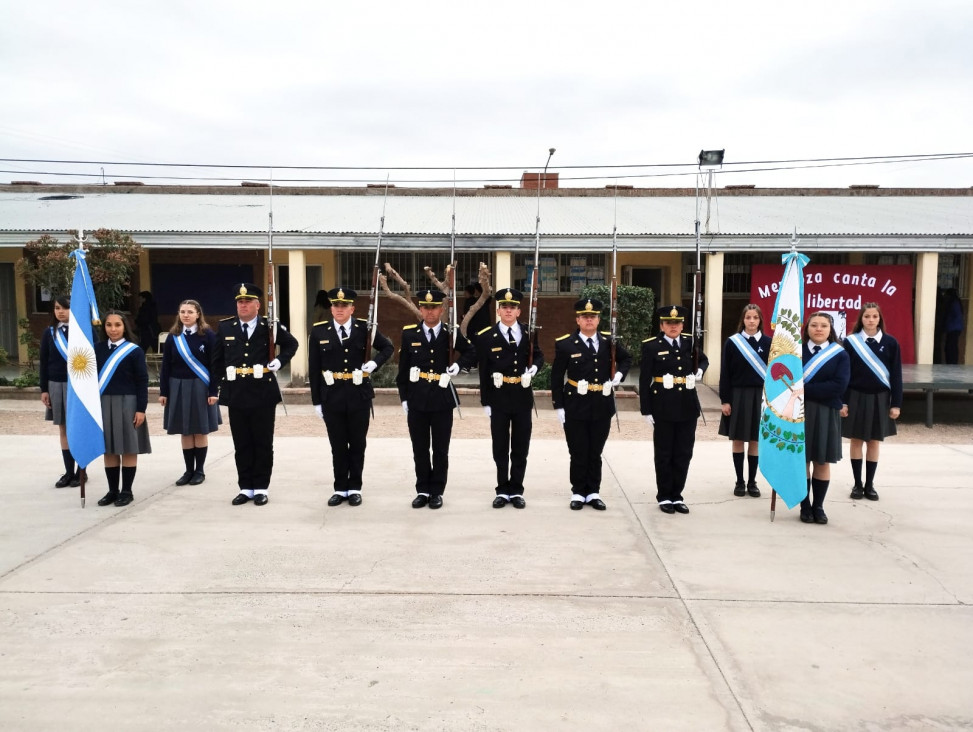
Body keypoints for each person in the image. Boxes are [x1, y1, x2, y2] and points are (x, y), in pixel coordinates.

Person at [211, 283, 299, 507]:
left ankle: (260, 487)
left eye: (248, 301)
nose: (243, 305)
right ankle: (245, 487)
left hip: (262, 392)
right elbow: (216, 360)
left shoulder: (269, 326)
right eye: (240, 301)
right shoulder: (225, 327)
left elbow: (292, 344)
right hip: (236, 391)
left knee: (262, 442)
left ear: (258, 305)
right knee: (241, 443)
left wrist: (279, 361)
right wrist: (217, 384)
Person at [308, 287, 394, 507]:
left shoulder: (364, 329)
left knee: (357, 444)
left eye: (344, 305)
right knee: (337, 445)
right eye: (336, 305)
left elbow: (387, 348)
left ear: (352, 308)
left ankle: (354, 487)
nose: (339, 309)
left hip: (358, 396)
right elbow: (315, 368)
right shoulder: (319, 332)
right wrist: (316, 401)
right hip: (332, 396)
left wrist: (373, 364)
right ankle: (340, 488)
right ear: (331, 307)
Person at [396, 288, 476, 510]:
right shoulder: (410, 333)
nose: (429, 312)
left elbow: (471, 352)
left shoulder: (451, 333)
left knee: (440, 449)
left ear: (442, 309)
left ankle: (437, 491)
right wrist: (404, 397)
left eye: (434, 308)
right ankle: (422, 489)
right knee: (420, 448)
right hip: (417, 398)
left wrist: (458, 365)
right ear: (420, 309)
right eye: (425, 307)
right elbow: (403, 369)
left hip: (442, 399)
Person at [551, 297, 631, 511]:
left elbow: (626, 359)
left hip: (601, 404)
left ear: (598, 320)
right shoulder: (566, 343)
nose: (589, 320)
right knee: (578, 451)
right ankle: (578, 492)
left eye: (593, 317)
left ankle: (593, 492)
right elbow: (556, 376)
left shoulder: (608, 342)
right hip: (575, 403)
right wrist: (558, 405)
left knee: (595, 451)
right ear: (578, 319)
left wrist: (619, 374)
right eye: (585, 317)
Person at [474, 288, 544, 509]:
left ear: (518, 311)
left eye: (512, 307)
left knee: (521, 447)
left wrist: (533, 369)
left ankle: (517, 490)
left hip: (522, 397)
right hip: (499, 397)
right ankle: (502, 490)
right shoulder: (486, 336)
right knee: (500, 447)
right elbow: (483, 371)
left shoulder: (528, 332)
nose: (508, 310)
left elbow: (539, 355)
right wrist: (486, 401)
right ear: (498, 310)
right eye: (504, 307)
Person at [639, 305, 708, 515]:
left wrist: (700, 370)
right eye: (669, 323)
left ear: (682, 325)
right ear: (661, 325)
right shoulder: (651, 346)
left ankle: (677, 495)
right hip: (663, 405)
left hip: (687, 405)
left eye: (677, 323)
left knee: (684, 453)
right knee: (664, 453)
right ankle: (664, 496)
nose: (673, 326)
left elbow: (703, 359)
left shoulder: (689, 342)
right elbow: (644, 380)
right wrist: (646, 410)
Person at [840, 302, 903, 501]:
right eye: (867, 316)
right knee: (856, 440)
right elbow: (844, 374)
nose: (870, 320)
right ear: (861, 319)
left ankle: (870, 484)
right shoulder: (850, 342)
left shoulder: (891, 343)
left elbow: (896, 376)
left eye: (874, 316)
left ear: (880, 319)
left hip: (880, 398)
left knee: (874, 441)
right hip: (856, 396)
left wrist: (896, 403)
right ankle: (857, 484)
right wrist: (843, 401)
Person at [159, 299, 221, 486]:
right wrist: (164, 392)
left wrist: (213, 391)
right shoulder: (173, 337)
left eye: (190, 312)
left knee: (199, 430)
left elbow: (214, 365)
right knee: (185, 431)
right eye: (182, 311)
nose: (186, 315)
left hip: (201, 386)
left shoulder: (208, 335)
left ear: (198, 314)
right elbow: (166, 367)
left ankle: (199, 470)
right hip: (177, 386)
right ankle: (188, 470)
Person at [95, 311, 151, 507]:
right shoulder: (97, 349)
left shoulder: (134, 350)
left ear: (124, 327)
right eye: (109, 325)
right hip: (103, 403)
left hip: (128, 403)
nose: (113, 329)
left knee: (128, 447)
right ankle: (112, 490)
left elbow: (142, 381)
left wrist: (141, 409)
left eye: (117, 325)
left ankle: (126, 490)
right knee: (109, 449)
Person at [801, 311, 851, 525]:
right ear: (807, 329)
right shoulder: (795, 352)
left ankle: (818, 506)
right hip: (799, 413)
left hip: (826, 412)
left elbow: (839, 386)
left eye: (824, 325)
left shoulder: (840, 354)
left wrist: (803, 389)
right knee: (802, 461)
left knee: (821, 460)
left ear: (831, 330)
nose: (819, 329)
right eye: (814, 325)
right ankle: (804, 506)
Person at [718, 304, 772, 497]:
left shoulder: (768, 343)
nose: (751, 321)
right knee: (739, 438)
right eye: (748, 317)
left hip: (761, 396)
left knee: (755, 440)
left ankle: (752, 481)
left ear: (760, 321)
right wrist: (725, 400)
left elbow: (774, 374)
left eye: (755, 318)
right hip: (738, 395)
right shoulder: (733, 342)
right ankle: (739, 481)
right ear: (743, 320)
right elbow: (726, 373)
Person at [39, 295, 79, 488]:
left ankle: (82, 471)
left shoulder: (83, 331)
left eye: (65, 307)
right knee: (63, 428)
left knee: (78, 428)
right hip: (56, 384)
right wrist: (44, 389)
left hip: (78, 386)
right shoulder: (50, 333)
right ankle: (69, 472)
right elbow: (44, 362)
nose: (61, 311)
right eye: (57, 308)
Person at [943, 288, 963, 365]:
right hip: (955, 328)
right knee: (951, 346)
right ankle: (951, 362)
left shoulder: (954, 302)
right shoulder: (955, 301)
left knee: (951, 346)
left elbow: (957, 316)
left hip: (953, 328)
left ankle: (952, 362)